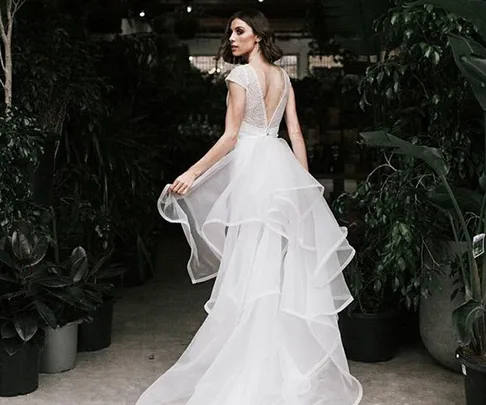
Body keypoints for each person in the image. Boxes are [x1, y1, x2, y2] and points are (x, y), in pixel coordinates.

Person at [136, 9, 362, 405]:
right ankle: (274, 362)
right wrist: (303, 185)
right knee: (272, 266)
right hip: (279, 169)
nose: (233, 38)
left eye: (240, 31)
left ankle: (252, 364)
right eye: (230, 32)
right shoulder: (283, 77)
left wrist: (191, 173)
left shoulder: (239, 76)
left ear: (258, 35)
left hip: (254, 172)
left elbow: (231, 136)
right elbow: (293, 133)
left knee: (252, 266)